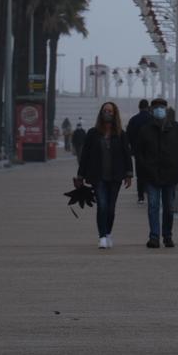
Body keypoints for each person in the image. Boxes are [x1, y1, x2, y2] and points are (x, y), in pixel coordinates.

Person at [74, 102, 133, 249]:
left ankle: (108, 233)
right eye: (105, 110)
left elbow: (127, 155)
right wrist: (80, 175)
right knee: (102, 205)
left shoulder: (121, 134)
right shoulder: (93, 133)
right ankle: (101, 237)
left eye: (110, 111)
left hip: (115, 177)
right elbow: (85, 155)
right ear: (101, 113)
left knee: (111, 208)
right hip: (97, 176)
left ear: (115, 114)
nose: (107, 113)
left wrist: (129, 174)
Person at [134, 97, 178, 249]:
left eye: (162, 107)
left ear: (166, 110)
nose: (160, 110)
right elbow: (138, 152)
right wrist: (145, 167)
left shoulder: (175, 128)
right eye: (157, 107)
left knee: (169, 207)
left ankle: (167, 235)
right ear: (152, 110)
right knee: (153, 205)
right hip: (151, 175)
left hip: (170, 175)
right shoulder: (145, 129)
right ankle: (154, 237)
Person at [125, 99, 154, 204]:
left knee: (140, 174)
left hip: (138, 151)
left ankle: (140, 196)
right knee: (150, 173)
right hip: (151, 151)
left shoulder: (133, 120)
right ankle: (150, 193)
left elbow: (127, 136)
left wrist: (131, 148)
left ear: (139, 107)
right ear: (148, 107)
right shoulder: (152, 119)